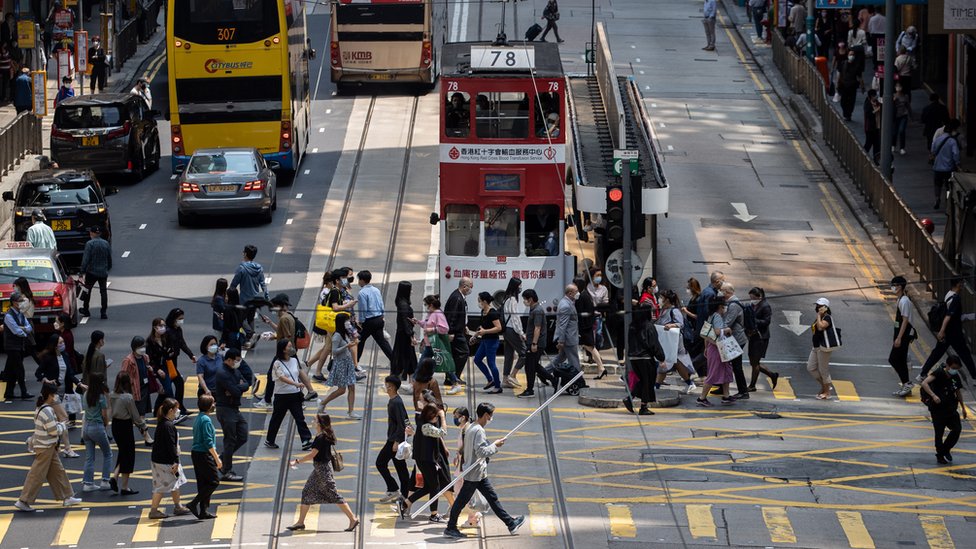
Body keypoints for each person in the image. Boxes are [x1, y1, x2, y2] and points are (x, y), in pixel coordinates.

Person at [443, 403, 525, 539]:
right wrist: (495, 445)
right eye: (491, 415)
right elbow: (481, 452)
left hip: (478, 473)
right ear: (486, 415)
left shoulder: (471, 427)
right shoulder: (479, 430)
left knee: (492, 498)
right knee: (461, 502)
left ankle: (511, 523)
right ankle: (450, 527)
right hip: (474, 474)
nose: (491, 418)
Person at [14, 384, 82, 512]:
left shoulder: (41, 408)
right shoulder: (47, 410)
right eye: (55, 394)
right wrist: (62, 426)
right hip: (46, 447)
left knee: (58, 472)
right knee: (37, 475)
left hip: (46, 446)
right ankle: (23, 500)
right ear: (50, 395)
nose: (56, 397)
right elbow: (52, 431)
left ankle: (67, 497)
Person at [287, 413, 359, 531]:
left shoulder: (321, 438)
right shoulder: (323, 435)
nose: (312, 422)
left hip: (323, 470)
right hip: (319, 469)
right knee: (306, 492)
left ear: (320, 423)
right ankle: (300, 522)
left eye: (315, 420)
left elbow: (312, 455)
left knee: (334, 495)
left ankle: (353, 519)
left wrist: (297, 461)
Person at [34, 334, 84, 457]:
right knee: (63, 418)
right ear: (55, 345)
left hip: (63, 392)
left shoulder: (65, 356)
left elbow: (70, 374)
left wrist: (79, 383)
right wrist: (46, 380)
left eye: (63, 342)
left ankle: (32, 442)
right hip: (51, 393)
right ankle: (67, 448)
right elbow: (38, 373)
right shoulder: (47, 358)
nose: (63, 344)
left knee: (53, 420)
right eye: (60, 342)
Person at [919, 277, 976, 379]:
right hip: (954, 333)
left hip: (948, 332)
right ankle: (975, 377)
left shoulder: (948, 294)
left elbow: (954, 317)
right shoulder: (956, 298)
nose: (963, 285)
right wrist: (941, 331)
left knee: (937, 353)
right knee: (965, 354)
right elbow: (948, 316)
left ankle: (923, 373)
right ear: (958, 284)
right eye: (962, 283)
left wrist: (970, 316)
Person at [403, 403, 451, 523]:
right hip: (426, 460)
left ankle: (405, 503)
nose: (437, 418)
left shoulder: (422, 422)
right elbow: (443, 433)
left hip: (425, 459)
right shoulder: (426, 427)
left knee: (430, 487)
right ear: (430, 415)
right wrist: (443, 417)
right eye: (435, 416)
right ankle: (434, 514)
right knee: (435, 486)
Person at [265, 339, 314, 449]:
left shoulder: (294, 361)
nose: (292, 349)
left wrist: (301, 384)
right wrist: (296, 384)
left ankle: (306, 440)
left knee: (299, 418)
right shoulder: (277, 363)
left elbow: (297, 373)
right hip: (281, 395)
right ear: (283, 349)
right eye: (289, 347)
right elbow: (281, 377)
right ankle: (270, 440)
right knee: (277, 419)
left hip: (295, 395)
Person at [149, 398, 190, 519]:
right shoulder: (168, 426)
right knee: (162, 486)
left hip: (159, 459)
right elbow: (171, 445)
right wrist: (176, 461)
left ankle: (178, 506)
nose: (178, 411)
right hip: (165, 461)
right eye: (177, 409)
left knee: (175, 482)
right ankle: (154, 511)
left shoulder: (163, 423)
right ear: (171, 410)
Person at [921, 356, 967, 464]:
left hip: (951, 408)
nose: (955, 370)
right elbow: (924, 383)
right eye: (953, 368)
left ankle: (945, 450)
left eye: (957, 368)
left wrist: (963, 408)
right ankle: (940, 455)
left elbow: (958, 392)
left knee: (957, 429)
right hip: (938, 409)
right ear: (947, 365)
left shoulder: (955, 376)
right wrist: (933, 396)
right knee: (939, 433)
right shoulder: (939, 373)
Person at [109, 373, 150, 495]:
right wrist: (143, 427)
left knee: (123, 452)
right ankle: (124, 487)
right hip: (125, 426)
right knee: (128, 455)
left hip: (115, 425)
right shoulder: (127, 397)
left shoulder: (112, 395)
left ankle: (115, 477)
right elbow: (135, 416)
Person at [654, 290, 698, 395]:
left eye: (661, 297)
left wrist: (671, 325)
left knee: (668, 361)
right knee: (671, 362)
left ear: (667, 299)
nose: (659, 299)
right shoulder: (663, 309)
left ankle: (656, 387)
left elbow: (680, 324)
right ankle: (689, 383)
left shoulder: (674, 310)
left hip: (675, 341)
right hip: (667, 340)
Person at [214, 348, 248, 481]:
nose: (238, 363)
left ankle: (223, 458)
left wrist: (237, 387)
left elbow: (246, 384)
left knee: (243, 435)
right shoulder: (222, 373)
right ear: (229, 360)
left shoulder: (234, 370)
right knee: (230, 440)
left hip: (234, 409)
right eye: (236, 360)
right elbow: (236, 391)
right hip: (225, 409)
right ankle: (226, 470)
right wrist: (237, 388)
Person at [319, 313, 361, 419]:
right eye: (346, 321)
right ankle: (323, 402)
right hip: (341, 364)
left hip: (348, 363)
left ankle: (351, 412)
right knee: (341, 389)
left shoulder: (345, 333)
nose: (348, 323)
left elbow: (356, 336)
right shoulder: (337, 336)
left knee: (352, 387)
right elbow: (334, 351)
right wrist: (347, 345)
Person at [377, 375, 411, 504]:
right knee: (401, 468)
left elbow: (402, 423)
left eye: (387, 385)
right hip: (394, 438)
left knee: (380, 463)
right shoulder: (394, 400)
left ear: (393, 387)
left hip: (394, 440)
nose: (386, 387)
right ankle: (403, 495)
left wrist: (397, 442)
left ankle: (394, 489)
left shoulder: (396, 402)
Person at [625, 307, 666, 416]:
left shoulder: (632, 326)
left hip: (633, 358)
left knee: (643, 381)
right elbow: (654, 343)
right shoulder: (649, 326)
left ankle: (630, 398)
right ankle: (643, 406)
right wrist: (661, 357)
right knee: (647, 382)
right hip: (646, 358)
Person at [187, 394, 221, 519]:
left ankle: (203, 511)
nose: (214, 405)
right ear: (208, 406)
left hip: (196, 454)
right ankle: (193, 503)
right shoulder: (206, 420)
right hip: (203, 454)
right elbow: (208, 442)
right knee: (213, 482)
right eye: (213, 403)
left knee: (203, 483)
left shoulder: (200, 417)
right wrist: (217, 458)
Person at [697, 300, 735, 407]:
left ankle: (726, 396)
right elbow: (717, 331)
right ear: (720, 306)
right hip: (717, 348)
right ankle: (702, 398)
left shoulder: (712, 316)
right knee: (713, 373)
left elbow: (707, 334)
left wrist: (706, 348)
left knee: (727, 370)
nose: (725, 309)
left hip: (715, 347)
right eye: (724, 306)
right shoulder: (717, 316)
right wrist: (727, 329)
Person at [517, 289, 554, 398]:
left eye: (525, 299)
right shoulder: (533, 309)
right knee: (534, 365)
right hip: (532, 341)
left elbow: (537, 328)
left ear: (531, 299)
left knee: (530, 367)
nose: (524, 301)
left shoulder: (537, 311)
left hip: (536, 343)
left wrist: (534, 343)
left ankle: (530, 390)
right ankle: (553, 379)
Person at [81, 372, 114, 493]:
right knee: (107, 454)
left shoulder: (85, 395)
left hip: (86, 427)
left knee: (89, 457)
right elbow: (105, 414)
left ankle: (88, 483)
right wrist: (105, 424)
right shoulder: (101, 396)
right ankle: (105, 481)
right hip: (97, 426)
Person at [229, 245, 269, 343]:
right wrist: (266, 296)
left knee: (240, 319)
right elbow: (263, 284)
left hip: (244, 300)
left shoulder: (241, 269)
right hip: (255, 299)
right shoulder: (259, 269)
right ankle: (251, 340)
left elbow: (234, 284)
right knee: (251, 318)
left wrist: (229, 293)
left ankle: (251, 334)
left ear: (245, 254)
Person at [886, 276, 917, 397]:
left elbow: (905, 320)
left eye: (893, 285)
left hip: (904, 335)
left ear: (899, 286)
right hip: (900, 334)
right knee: (900, 359)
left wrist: (899, 338)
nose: (892, 287)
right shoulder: (900, 300)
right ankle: (906, 385)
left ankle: (907, 383)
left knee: (893, 359)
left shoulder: (904, 301)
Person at [355, 270, 395, 362]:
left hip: (369, 321)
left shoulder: (362, 293)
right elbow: (381, 304)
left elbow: (363, 309)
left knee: (359, 341)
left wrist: (360, 322)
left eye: (359, 280)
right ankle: (395, 361)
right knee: (382, 342)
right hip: (379, 319)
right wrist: (382, 315)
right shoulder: (376, 290)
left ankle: (355, 363)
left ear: (362, 280)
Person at [164, 308, 196, 420]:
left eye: (182, 318)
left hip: (174, 360)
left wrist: (190, 355)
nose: (181, 321)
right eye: (179, 319)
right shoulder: (167, 331)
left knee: (168, 385)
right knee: (178, 383)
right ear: (173, 319)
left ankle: (175, 408)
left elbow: (182, 343)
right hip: (168, 362)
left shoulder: (178, 330)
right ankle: (178, 409)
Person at [720, 283, 750, 399]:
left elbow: (727, 322)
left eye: (722, 290)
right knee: (725, 363)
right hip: (732, 338)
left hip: (736, 339)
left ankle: (743, 391)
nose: (720, 292)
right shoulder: (730, 303)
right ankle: (722, 387)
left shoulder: (733, 305)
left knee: (736, 366)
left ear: (727, 292)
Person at [3, 290, 34, 400]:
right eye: (20, 301)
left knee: (13, 370)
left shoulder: (20, 314)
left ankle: (8, 393)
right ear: (14, 302)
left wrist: (23, 329)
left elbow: (29, 327)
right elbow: (17, 331)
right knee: (20, 369)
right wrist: (24, 330)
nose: (22, 302)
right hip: (12, 347)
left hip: (20, 345)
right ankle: (24, 392)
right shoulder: (8, 316)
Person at [746, 287, 779, 391]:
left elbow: (766, 322)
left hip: (761, 338)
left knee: (755, 362)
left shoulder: (765, 306)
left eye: (752, 297)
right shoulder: (754, 305)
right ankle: (772, 375)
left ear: (759, 297)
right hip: (753, 336)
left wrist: (754, 320)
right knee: (753, 362)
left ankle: (752, 386)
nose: (751, 300)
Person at [444, 277, 473, 390]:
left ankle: (451, 377)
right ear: (464, 286)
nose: (470, 290)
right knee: (464, 352)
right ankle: (454, 377)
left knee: (455, 354)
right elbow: (452, 316)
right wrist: (450, 332)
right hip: (455, 332)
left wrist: (464, 325)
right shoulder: (457, 298)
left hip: (458, 330)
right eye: (470, 287)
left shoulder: (459, 296)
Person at [574, 276, 605, 379]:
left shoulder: (582, 296)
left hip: (585, 327)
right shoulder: (584, 295)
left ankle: (601, 368)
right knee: (589, 347)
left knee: (590, 347)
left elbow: (582, 314)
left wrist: (580, 328)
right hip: (586, 326)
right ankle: (601, 368)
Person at [472, 292, 503, 394]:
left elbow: (498, 328)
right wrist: (475, 335)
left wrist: (485, 332)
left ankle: (498, 386)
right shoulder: (483, 311)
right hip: (484, 340)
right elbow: (482, 327)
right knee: (477, 359)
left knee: (491, 363)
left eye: (479, 300)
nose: (478, 302)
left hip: (492, 341)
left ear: (484, 301)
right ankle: (490, 379)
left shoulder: (492, 313)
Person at [120, 336, 158, 416]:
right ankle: (142, 425)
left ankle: (142, 423)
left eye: (144, 346)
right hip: (136, 388)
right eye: (140, 347)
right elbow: (122, 376)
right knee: (138, 410)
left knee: (142, 411)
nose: (143, 349)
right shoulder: (128, 360)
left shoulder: (145, 357)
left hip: (145, 387)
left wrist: (150, 369)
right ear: (134, 347)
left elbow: (147, 367)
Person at [808, 298, 837, 400]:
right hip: (815, 347)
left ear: (826, 307)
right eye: (817, 306)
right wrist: (819, 316)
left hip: (823, 348)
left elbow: (820, 327)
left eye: (820, 306)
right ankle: (825, 386)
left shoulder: (827, 318)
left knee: (823, 370)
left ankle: (827, 392)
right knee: (810, 368)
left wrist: (819, 316)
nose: (817, 308)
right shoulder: (820, 317)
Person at [80, 226, 111, 319]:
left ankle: (86, 310)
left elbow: (85, 259)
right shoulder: (106, 243)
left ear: (92, 233)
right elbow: (109, 258)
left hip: (91, 272)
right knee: (103, 292)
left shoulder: (90, 244)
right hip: (103, 272)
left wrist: (82, 271)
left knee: (87, 291)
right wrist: (107, 268)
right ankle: (103, 312)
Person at [501, 277, 526, 389]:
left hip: (506, 330)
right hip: (512, 329)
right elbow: (515, 318)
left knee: (509, 355)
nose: (520, 287)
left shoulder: (506, 298)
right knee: (524, 353)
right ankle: (513, 375)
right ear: (515, 286)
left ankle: (505, 379)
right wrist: (521, 332)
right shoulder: (512, 300)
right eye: (519, 285)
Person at [931, 119, 961, 210]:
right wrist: (958, 164)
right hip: (948, 167)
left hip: (937, 167)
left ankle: (937, 199)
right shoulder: (952, 141)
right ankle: (948, 200)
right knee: (948, 185)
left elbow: (933, 150)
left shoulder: (937, 140)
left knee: (937, 184)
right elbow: (956, 154)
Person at [147, 318, 175, 416]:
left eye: (164, 325)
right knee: (169, 391)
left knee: (164, 391)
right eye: (161, 326)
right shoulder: (150, 341)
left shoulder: (165, 338)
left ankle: (156, 412)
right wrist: (157, 370)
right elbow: (149, 359)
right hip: (157, 368)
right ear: (155, 327)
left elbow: (169, 351)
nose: (163, 328)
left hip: (165, 366)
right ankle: (173, 412)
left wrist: (170, 352)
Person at [392, 281, 419, 381]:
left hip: (403, 334)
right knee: (406, 358)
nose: (412, 291)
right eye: (410, 289)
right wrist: (411, 335)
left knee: (408, 358)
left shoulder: (401, 302)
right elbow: (405, 322)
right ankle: (403, 379)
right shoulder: (403, 305)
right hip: (404, 335)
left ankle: (411, 380)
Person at [553, 284, 581, 375]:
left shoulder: (568, 302)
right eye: (576, 292)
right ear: (570, 293)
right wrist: (561, 341)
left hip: (569, 336)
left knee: (560, 358)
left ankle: (544, 372)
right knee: (574, 359)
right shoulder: (566, 305)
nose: (578, 293)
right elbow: (563, 325)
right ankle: (578, 379)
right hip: (568, 338)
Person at [587, 267, 610, 351]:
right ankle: (590, 355)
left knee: (598, 334)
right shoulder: (587, 287)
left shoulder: (604, 289)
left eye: (600, 275)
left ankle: (597, 351)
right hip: (589, 316)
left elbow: (605, 301)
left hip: (598, 316)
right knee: (590, 336)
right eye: (597, 275)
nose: (599, 277)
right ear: (592, 276)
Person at [837, 49, 862, 121]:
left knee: (851, 101)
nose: (852, 56)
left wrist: (862, 86)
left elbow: (860, 77)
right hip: (844, 85)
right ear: (848, 55)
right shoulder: (843, 64)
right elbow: (839, 74)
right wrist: (837, 84)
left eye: (853, 55)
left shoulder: (857, 66)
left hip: (852, 86)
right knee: (843, 101)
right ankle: (845, 113)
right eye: (850, 54)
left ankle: (848, 114)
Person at [863, 88, 882, 164]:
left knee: (877, 144)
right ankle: (862, 155)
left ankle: (876, 160)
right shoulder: (867, 104)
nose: (876, 97)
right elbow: (868, 114)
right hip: (870, 128)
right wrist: (876, 110)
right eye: (874, 96)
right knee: (868, 143)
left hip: (877, 127)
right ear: (871, 96)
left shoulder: (877, 103)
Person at [893, 83, 912, 155]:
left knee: (901, 131)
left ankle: (902, 148)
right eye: (897, 86)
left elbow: (908, 106)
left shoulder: (905, 96)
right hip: (895, 116)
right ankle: (893, 145)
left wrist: (911, 116)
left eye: (900, 86)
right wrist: (894, 101)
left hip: (903, 115)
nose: (898, 88)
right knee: (894, 132)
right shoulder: (893, 95)